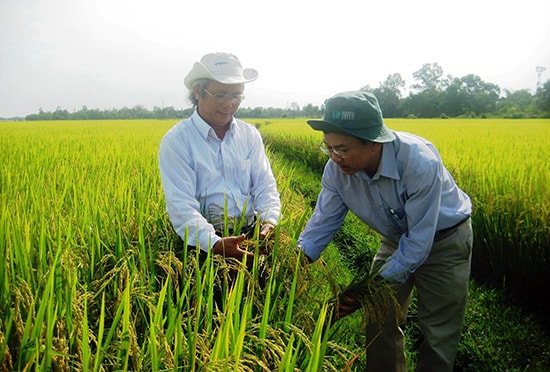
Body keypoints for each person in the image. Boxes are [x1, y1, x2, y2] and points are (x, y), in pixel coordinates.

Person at [297, 91, 473, 371]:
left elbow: (419, 243)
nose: (334, 157)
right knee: (378, 318)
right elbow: (323, 222)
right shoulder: (335, 170)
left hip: (444, 242)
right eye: (328, 147)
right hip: (395, 240)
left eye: (342, 149)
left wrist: (364, 290)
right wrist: (294, 262)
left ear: (374, 144)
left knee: (438, 332)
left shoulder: (419, 162)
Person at [158, 52, 281, 262]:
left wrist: (269, 220)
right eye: (221, 95)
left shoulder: (249, 135)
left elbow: (264, 184)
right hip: (202, 246)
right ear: (198, 91)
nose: (229, 103)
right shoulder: (177, 141)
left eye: (237, 95)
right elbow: (181, 205)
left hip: (250, 238)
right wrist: (213, 243)